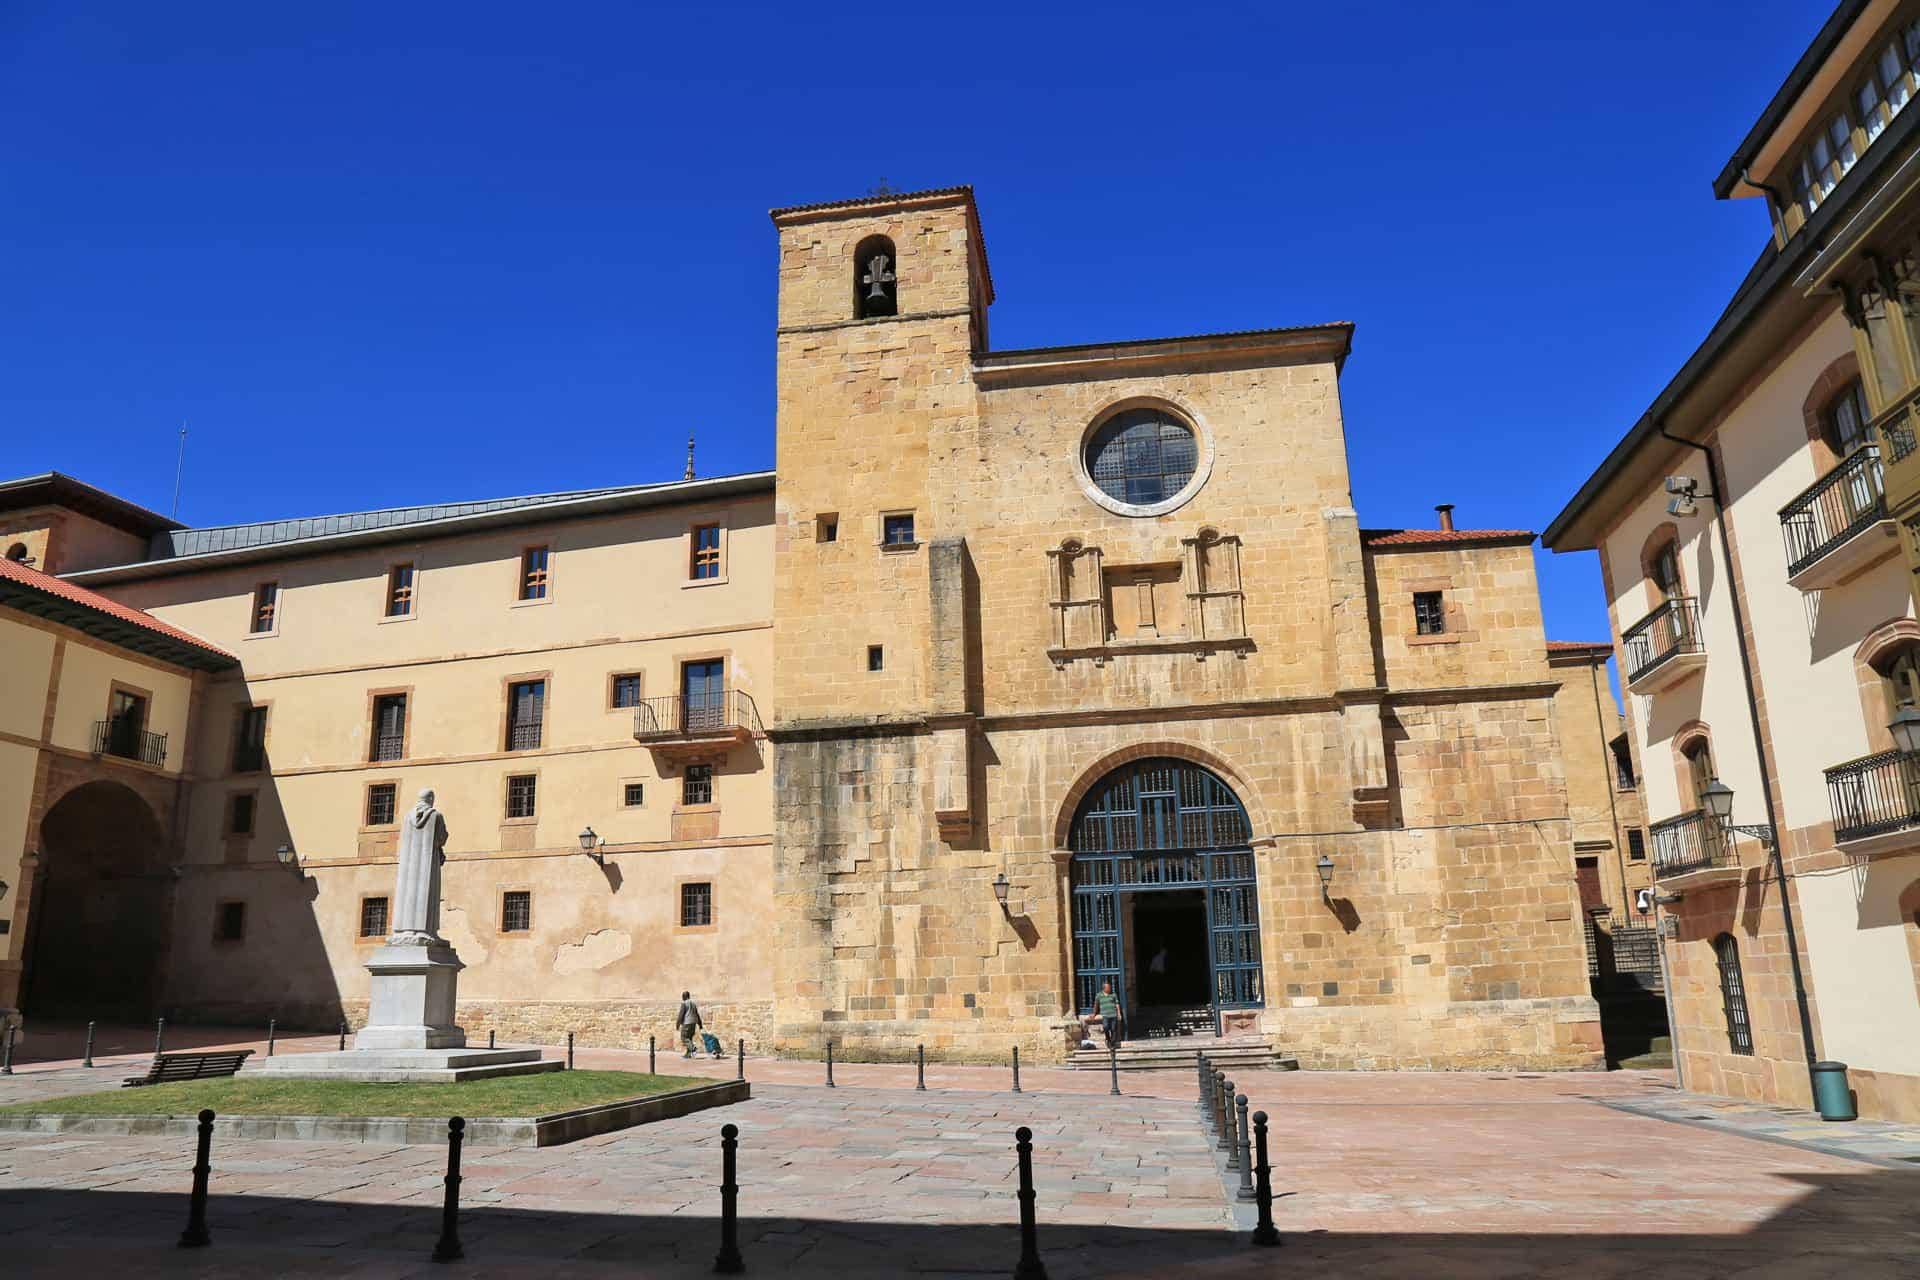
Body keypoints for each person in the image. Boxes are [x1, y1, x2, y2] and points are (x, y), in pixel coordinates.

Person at [1095, 980, 1123, 1050]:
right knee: (1105, 1027)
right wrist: (1094, 1014)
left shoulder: (1113, 994)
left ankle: (1112, 1044)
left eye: (1110, 987)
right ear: (1104, 988)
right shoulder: (1099, 995)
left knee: (1113, 1029)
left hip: (1113, 1014)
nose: (1110, 989)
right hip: (1105, 1015)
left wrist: (1119, 1013)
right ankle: (1108, 1038)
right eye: (1108, 987)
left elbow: (1117, 1004)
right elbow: (1096, 1005)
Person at [677, 991, 703, 1058]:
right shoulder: (693, 1003)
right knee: (689, 1039)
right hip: (693, 1023)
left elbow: (681, 1014)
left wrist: (678, 1024)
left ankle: (693, 1048)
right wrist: (700, 1024)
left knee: (684, 1038)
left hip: (686, 1023)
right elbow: (697, 1014)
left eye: (682, 996)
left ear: (685, 996)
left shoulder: (684, 1003)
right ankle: (688, 1054)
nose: (682, 998)